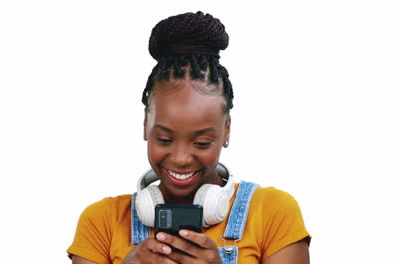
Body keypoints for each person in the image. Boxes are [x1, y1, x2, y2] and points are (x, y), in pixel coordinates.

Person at [67, 11, 311, 264]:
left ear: (226, 131)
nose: (182, 158)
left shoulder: (273, 211)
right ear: (144, 127)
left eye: (201, 143)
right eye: (164, 139)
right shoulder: (101, 222)